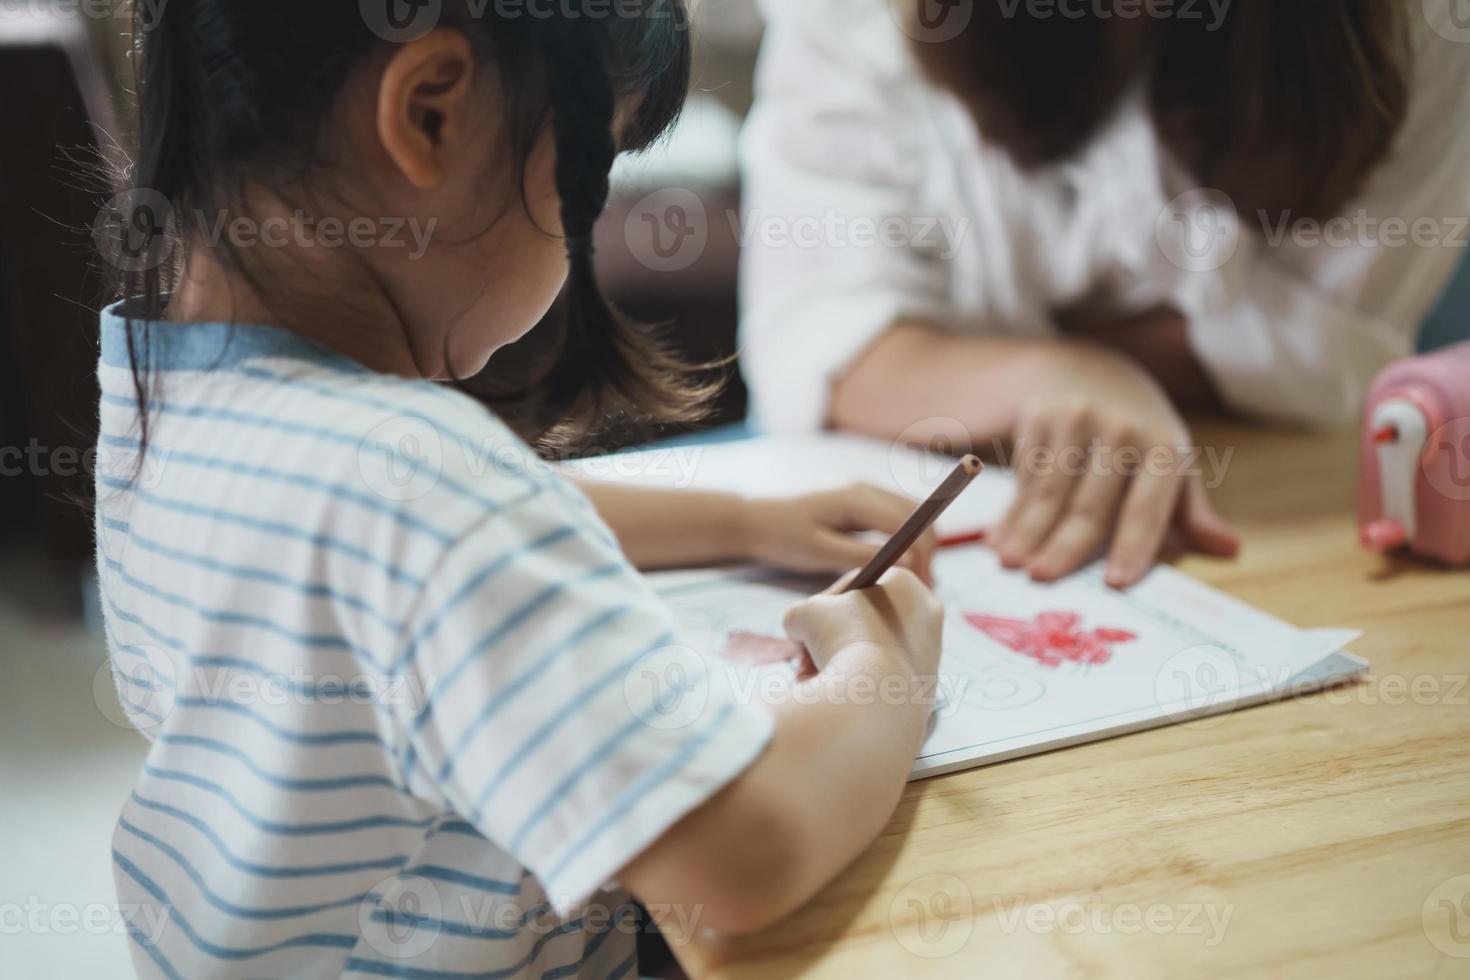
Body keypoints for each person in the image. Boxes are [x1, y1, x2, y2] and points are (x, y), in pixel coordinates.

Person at [95, 3, 943, 976]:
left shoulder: (162, 389)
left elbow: (427, 540)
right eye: (592, 171)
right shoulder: (424, 486)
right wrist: (889, 667)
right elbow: (740, 858)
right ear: (430, 114)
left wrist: (746, 519)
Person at [740, 0, 1470, 588]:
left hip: (1276, 508)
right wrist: (1066, 373)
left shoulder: (1423, 28)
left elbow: (1324, 356)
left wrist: (958, 359)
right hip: (926, 500)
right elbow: (821, 345)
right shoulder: (857, 17)